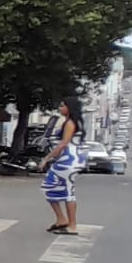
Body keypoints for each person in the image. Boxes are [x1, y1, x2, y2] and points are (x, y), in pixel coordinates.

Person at [38, 96, 85, 234]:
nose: (60, 108)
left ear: (69, 107)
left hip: (68, 160)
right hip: (73, 159)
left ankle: (71, 225)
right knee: (54, 188)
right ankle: (62, 220)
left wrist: (46, 158)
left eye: (62, 106)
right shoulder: (75, 122)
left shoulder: (70, 123)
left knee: (60, 189)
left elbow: (63, 143)